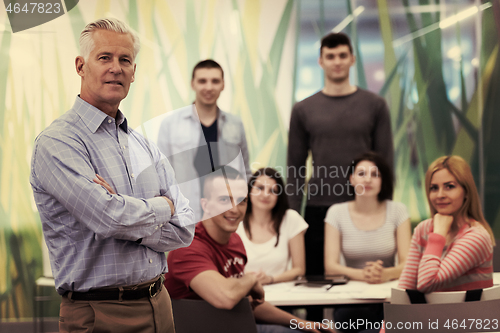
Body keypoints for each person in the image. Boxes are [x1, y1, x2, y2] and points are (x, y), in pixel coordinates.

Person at [30, 18, 195, 333]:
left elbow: (185, 228)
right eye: (104, 57)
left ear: (134, 72)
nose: (116, 68)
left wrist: (124, 211)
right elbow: (109, 218)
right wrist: (163, 207)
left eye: (125, 60)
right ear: (81, 66)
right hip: (98, 313)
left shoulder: (144, 144)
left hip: (159, 303)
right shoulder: (58, 143)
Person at [164, 166, 334, 333]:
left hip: (232, 324)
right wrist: (251, 280)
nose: (234, 209)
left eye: (241, 200)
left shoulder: (235, 240)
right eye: (224, 200)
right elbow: (227, 297)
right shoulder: (187, 246)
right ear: (205, 205)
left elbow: (247, 304)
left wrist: (303, 323)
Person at [287, 32, 394, 282]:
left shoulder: (375, 105)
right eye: (330, 56)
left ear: (352, 59)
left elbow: (385, 163)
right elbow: (295, 167)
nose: (337, 61)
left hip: (366, 207)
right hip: (318, 208)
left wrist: (385, 206)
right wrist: (292, 217)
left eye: (342, 55)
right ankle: (315, 325)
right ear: (320, 61)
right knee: (316, 282)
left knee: (368, 281)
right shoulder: (303, 109)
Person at [323, 152, 411, 333]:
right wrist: (366, 275)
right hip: (350, 300)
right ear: (351, 179)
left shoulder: (398, 210)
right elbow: (330, 267)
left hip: (388, 297)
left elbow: (408, 264)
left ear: (383, 180)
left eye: (375, 174)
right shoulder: (336, 213)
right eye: (361, 174)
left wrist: (386, 274)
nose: (368, 180)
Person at [157, 59, 250, 222]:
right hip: (185, 215)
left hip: (226, 214)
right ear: (193, 84)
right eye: (202, 81)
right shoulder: (170, 125)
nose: (208, 87)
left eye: (215, 81)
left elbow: (245, 171)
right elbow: (161, 175)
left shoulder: (236, 124)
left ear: (223, 85)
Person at [398, 155, 494, 292]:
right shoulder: (423, 229)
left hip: (466, 313)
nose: (440, 195)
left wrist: (438, 234)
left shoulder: (477, 236)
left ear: (466, 191)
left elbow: (427, 283)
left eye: (449, 186)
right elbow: (406, 288)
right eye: (434, 188)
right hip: (426, 313)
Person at [237, 167, 308, 284]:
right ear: (249, 190)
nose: (265, 194)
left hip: (283, 295)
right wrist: (243, 277)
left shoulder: (291, 218)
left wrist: (270, 279)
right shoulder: (235, 221)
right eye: (260, 188)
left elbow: (299, 270)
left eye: (273, 191)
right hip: (243, 293)